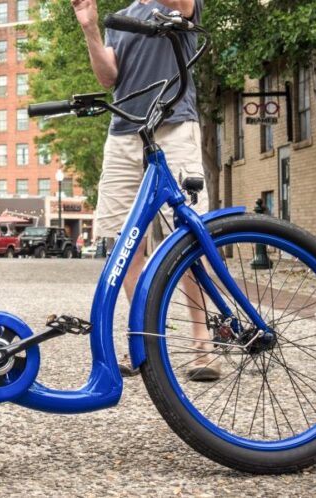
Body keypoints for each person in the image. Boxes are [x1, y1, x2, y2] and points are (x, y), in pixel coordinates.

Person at [72, 0, 218, 381]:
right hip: (124, 133)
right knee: (125, 246)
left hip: (173, 127)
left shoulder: (175, 6)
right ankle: (147, 340)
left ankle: (203, 344)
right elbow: (109, 77)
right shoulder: (123, 17)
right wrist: (89, 26)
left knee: (186, 238)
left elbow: (185, 7)